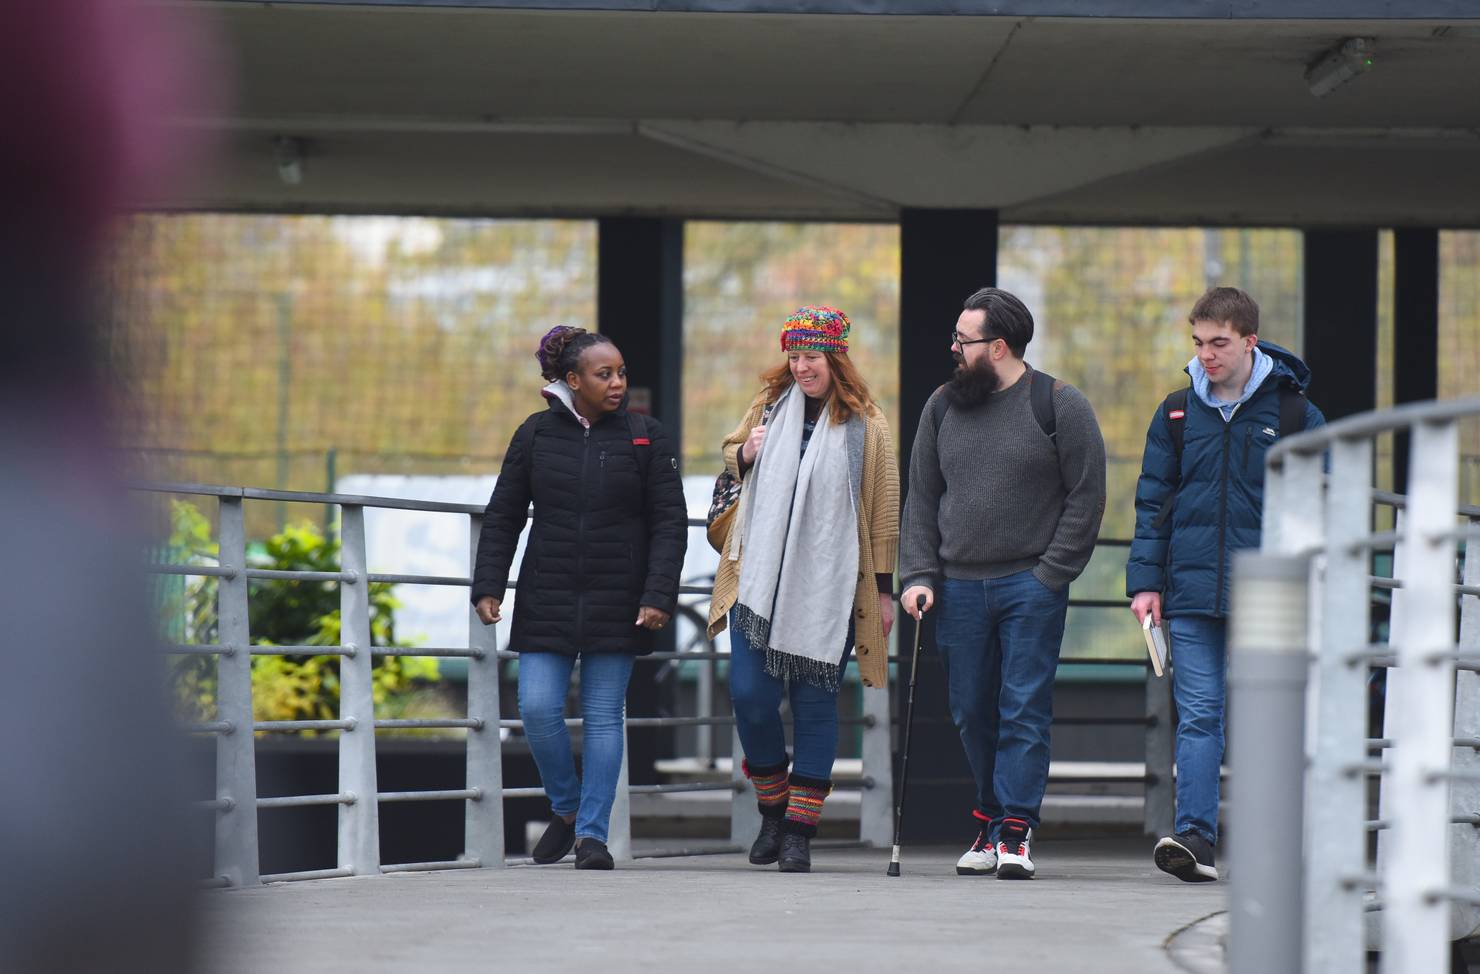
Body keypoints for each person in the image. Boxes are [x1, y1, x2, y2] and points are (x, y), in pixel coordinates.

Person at [900, 286, 1106, 880]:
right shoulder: (942, 406)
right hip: (958, 587)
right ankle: (990, 817)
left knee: (1023, 708)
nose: (954, 350)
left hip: (1029, 585)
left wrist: (1050, 576)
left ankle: (1015, 830)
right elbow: (922, 497)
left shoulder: (1060, 405)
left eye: (963, 341)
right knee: (970, 709)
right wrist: (917, 574)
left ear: (997, 346)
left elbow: (1087, 497)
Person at [471, 326, 687, 870]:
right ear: (573, 380)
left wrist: (658, 593)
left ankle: (592, 836)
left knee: (602, 715)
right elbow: (504, 515)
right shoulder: (535, 434)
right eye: (603, 374)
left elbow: (669, 524)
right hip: (548, 591)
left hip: (621, 598)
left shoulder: (646, 435)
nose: (618, 383)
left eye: (621, 373)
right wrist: (488, 584)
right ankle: (566, 811)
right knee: (537, 708)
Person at [1127, 286, 1324, 883]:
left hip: (1267, 592)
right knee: (1200, 715)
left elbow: (1322, 502)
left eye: (1219, 343)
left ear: (1249, 342)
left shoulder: (1294, 415)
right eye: (1198, 342)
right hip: (1188, 595)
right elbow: (1154, 504)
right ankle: (1196, 840)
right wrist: (1145, 584)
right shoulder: (1176, 412)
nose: (1206, 354)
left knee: (1268, 714)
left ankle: (1274, 841)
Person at [707, 306, 899, 873]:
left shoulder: (868, 425)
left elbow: (883, 514)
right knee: (750, 695)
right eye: (794, 356)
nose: (801, 366)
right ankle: (772, 807)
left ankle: (798, 832)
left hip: (829, 588)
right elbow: (730, 454)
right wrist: (745, 453)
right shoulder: (769, 406)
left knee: (817, 705)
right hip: (756, 582)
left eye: (811, 356)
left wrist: (884, 592)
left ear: (836, 359)